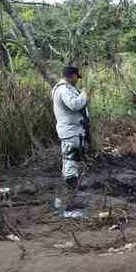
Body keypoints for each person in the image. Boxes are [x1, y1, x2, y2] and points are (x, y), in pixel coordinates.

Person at [51, 66, 89, 204]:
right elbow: (74, 105)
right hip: (71, 131)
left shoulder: (62, 88)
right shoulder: (63, 89)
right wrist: (84, 93)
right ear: (72, 75)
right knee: (71, 159)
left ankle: (73, 189)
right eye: (76, 77)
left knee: (71, 159)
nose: (77, 80)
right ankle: (72, 192)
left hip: (72, 130)